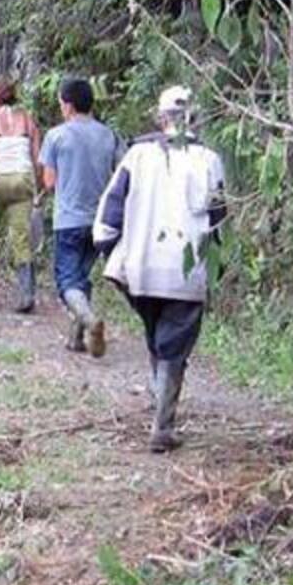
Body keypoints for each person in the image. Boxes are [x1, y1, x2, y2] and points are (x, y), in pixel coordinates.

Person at [93, 85, 226, 452]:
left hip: (139, 268)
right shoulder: (209, 161)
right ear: (194, 120)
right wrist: (217, 266)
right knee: (173, 345)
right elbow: (218, 220)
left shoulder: (137, 156)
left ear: (161, 117)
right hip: (187, 270)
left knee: (157, 335)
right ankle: (161, 425)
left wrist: (112, 255)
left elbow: (108, 215)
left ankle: (160, 411)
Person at [40, 76, 123, 357]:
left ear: (69, 105)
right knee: (82, 277)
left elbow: (49, 181)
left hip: (69, 219)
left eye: (62, 103)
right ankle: (76, 338)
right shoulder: (109, 135)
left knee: (67, 283)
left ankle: (89, 322)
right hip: (100, 221)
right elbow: (121, 173)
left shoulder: (56, 136)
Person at [0, 76, 42, 313]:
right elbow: (37, 159)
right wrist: (39, 189)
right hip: (22, 179)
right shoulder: (27, 120)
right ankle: (26, 295)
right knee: (21, 238)